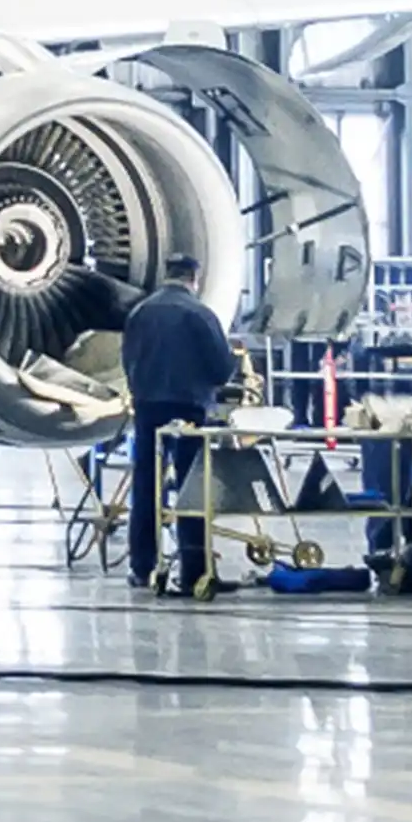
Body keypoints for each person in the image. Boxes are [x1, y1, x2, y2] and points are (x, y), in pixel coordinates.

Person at [121, 253, 236, 594]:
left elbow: (126, 359)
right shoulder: (199, 314)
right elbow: (221, 367)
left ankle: (142, 566)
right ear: (194, 279)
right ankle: (194, 569)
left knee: (145, 485)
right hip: (189, 409)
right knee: (191, 488)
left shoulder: (140, 312)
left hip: (147, 407)